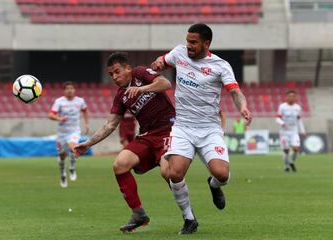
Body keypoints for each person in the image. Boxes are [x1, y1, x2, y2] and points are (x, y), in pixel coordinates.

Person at [151, 23, 252, 234]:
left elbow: (235, 92)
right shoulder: (179, 52)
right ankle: (189, 219)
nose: (189, 45)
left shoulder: (220, 66)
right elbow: (164, 60)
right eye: (188, 41)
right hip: (183, 127)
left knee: (221, 174)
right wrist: (159, 62)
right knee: (174, 173)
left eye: (194, 42)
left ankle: (214, 185)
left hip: (209, 129)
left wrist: (242, 107)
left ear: (206, 44)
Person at [72, 52, 175, 233]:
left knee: (170, 173)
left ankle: (189, 216)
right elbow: (110, 124)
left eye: (117, 71)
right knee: (120, 165)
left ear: (128, 68)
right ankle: (138, 214)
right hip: (146, 136)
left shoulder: (140, 73)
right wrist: (87, 144)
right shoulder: (121, 96)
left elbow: (165, 83)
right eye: (111, 74)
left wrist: (141, 89)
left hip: (169, 130)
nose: (114, 77)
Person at [48, 81, 89, 188]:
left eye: (71, 88)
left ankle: (71, 167)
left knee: (73, 147)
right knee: (62, 156)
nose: (70, 90)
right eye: (67, 88)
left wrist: (86, 124)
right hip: (62, 133)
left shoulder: (80, 101)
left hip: (74, 131)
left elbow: (85, 111)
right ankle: (62, 174)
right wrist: (59, 118)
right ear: (64, 90)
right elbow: (50, 115)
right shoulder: (59, 102)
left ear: (74, 90)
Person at [276, 89, 306, 172]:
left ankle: (291, 162)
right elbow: (278, 118)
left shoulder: (298, 108)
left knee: (296, 149)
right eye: (290, 96)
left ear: (295, 97)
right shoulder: (282, 107)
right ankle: (286, 166)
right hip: (284, 132)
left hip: (294, 132)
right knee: (286, 150)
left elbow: (299, 120)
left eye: (293, 96)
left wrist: (303, 131)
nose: (291, 98)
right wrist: (282, 123)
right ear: (286, 97)